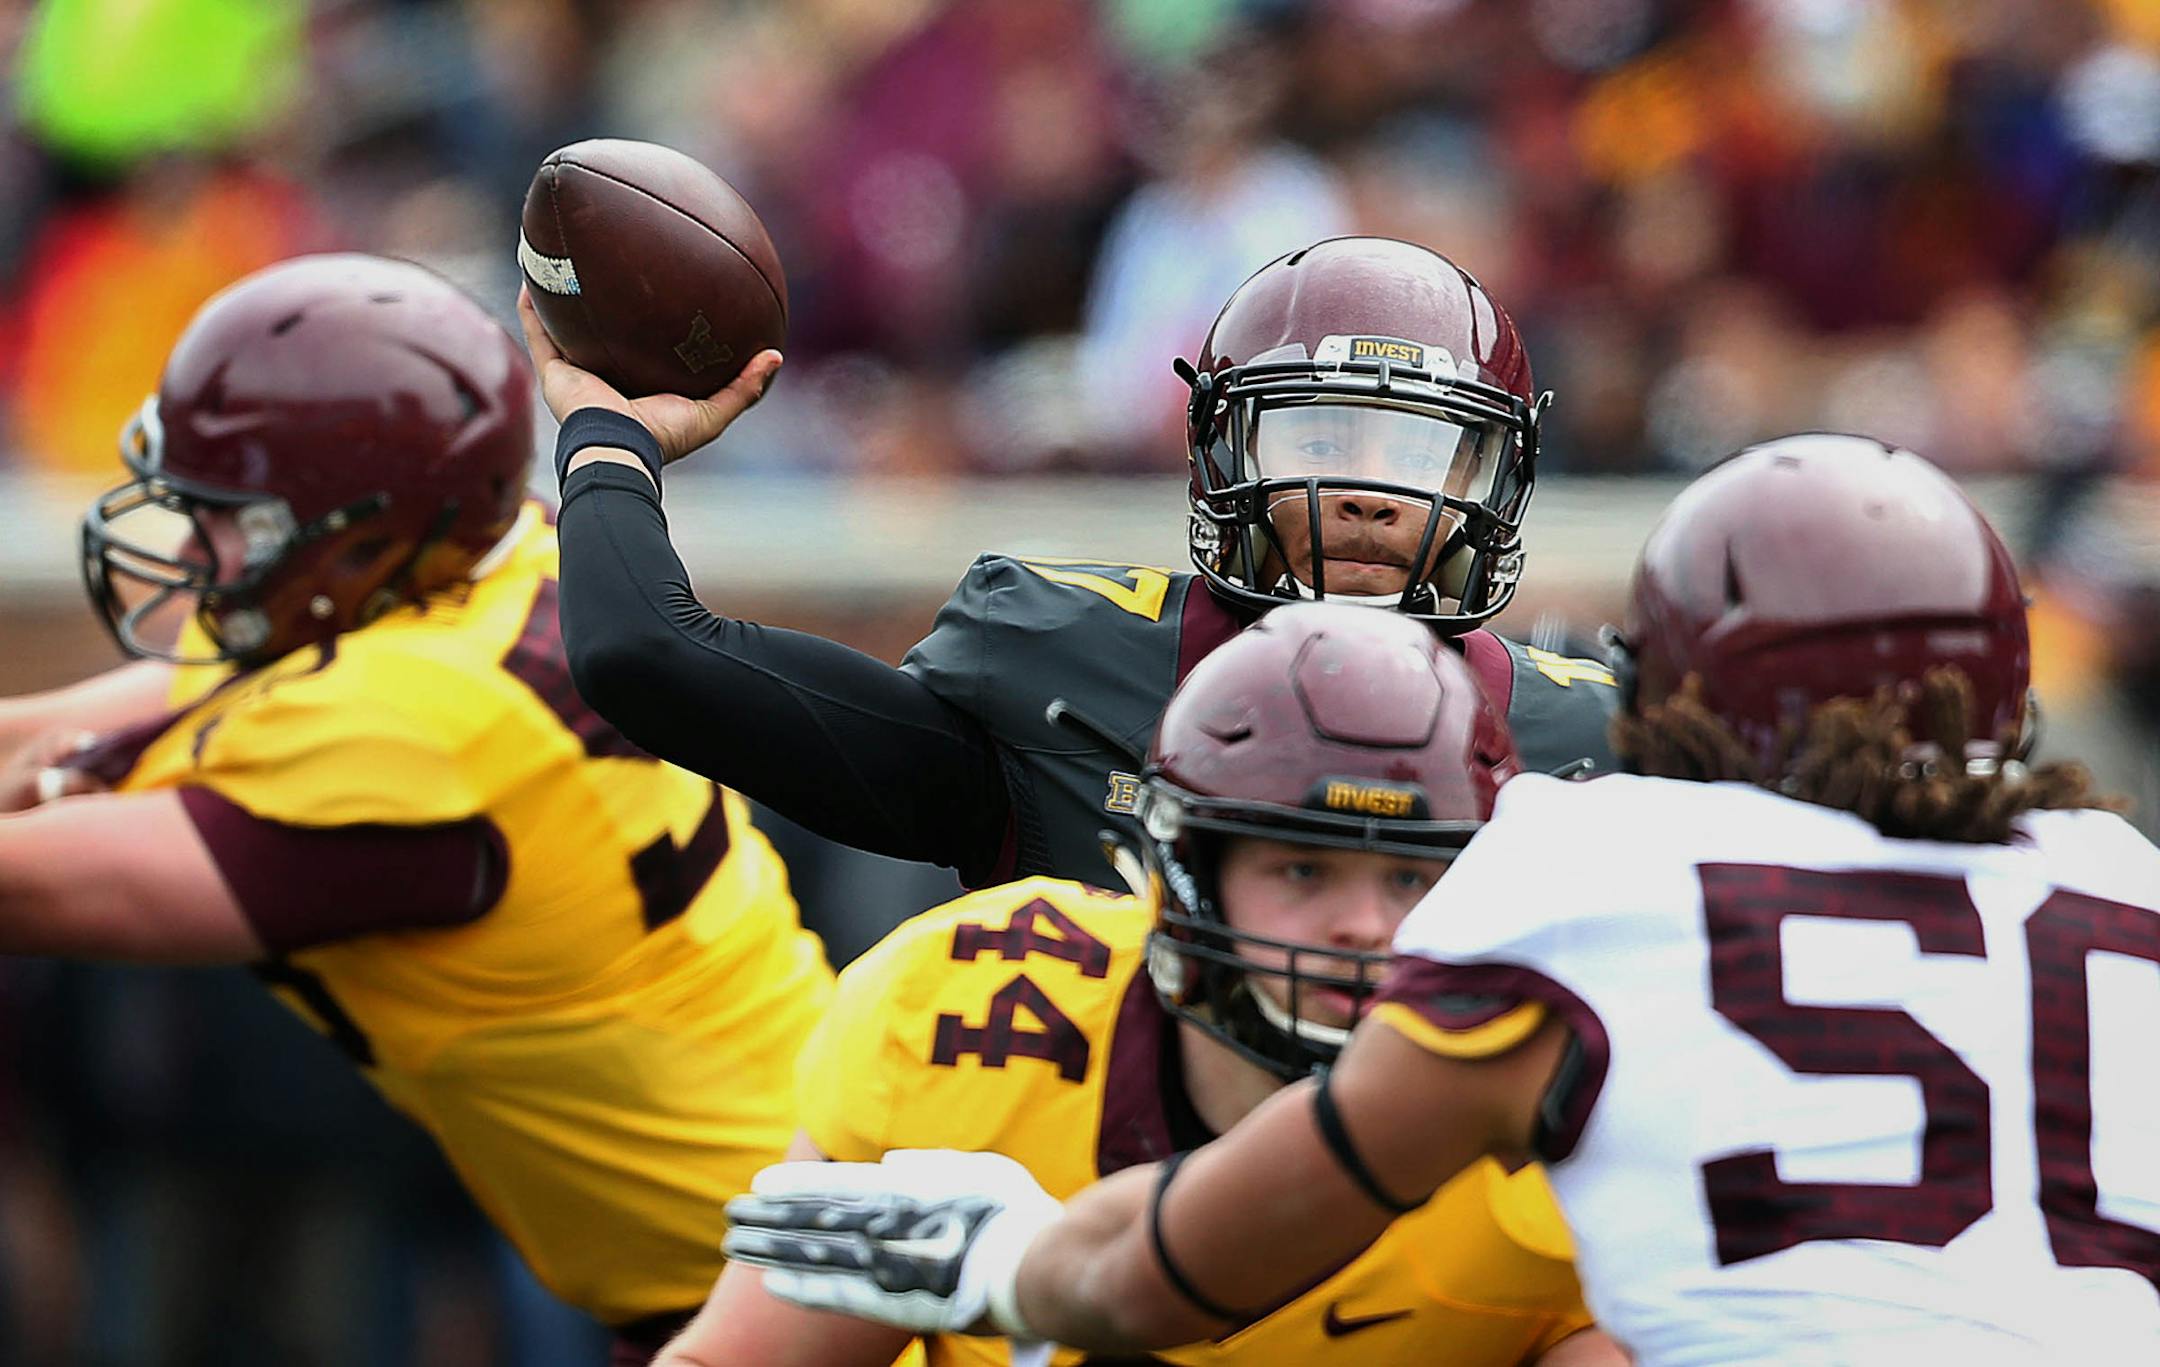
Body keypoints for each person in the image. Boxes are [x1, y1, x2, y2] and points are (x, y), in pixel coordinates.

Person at [722, 435, 2160, 1363]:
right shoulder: (2130, 884)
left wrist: (1013, 1259)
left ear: (1674, 686)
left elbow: (1191, 1265)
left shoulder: (1601, 871)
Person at [0, 254, 833, 1365]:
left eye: (233, 521)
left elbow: (27, 874)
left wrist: (66, 775)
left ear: (359, 537)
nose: (199, 553)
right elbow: (54, 736)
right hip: (762, 1225)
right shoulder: (479, 565)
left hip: (799, 1296)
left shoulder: (417, 728)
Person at [661, 603, 1619, 1366]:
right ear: (1187, 870)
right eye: (1302, 870)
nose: (1365, 924)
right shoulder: (967, 1013)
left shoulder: (1568, 1141)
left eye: (1411, 877)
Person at [534, 236, 1620, 892]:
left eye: (1428, 450)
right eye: (1320, 440)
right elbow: (649, 654)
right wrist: (608, 439)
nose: (1376, 491)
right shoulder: (1056, 663)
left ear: (1500, 474)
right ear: (1220, 452)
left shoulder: (1592, 746)